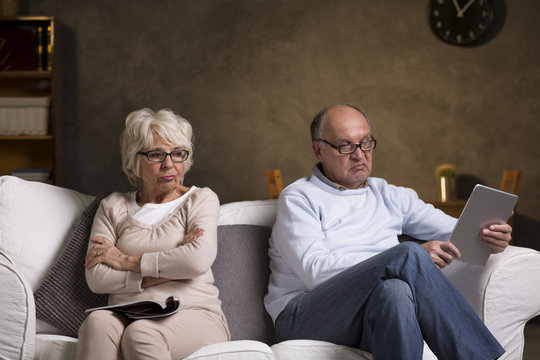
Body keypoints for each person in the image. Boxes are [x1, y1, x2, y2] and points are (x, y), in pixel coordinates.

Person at [264, 104, 512, 359]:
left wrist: (490, 231)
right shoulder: (298, 198)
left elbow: (457, 230)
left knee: (395, 292)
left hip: (369, 313)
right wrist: (397, 258)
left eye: (366, 143)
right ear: (319, 150)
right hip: (306, 317)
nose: (360, 155)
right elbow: (316, 272)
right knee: (408, 254)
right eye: (345, 146)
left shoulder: (390, 195)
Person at [76, 109, 229, 360]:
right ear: (134, 160)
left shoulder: (200, 200)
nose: (169, 164)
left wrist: (126, 261)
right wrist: (170, 264)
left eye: (178, 154)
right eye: (156, 154)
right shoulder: (113, 206)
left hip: (194, 314)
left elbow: (196, 261)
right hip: (128, 311)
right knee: (97, 322)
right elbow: (97, 277)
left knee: (141, 333)